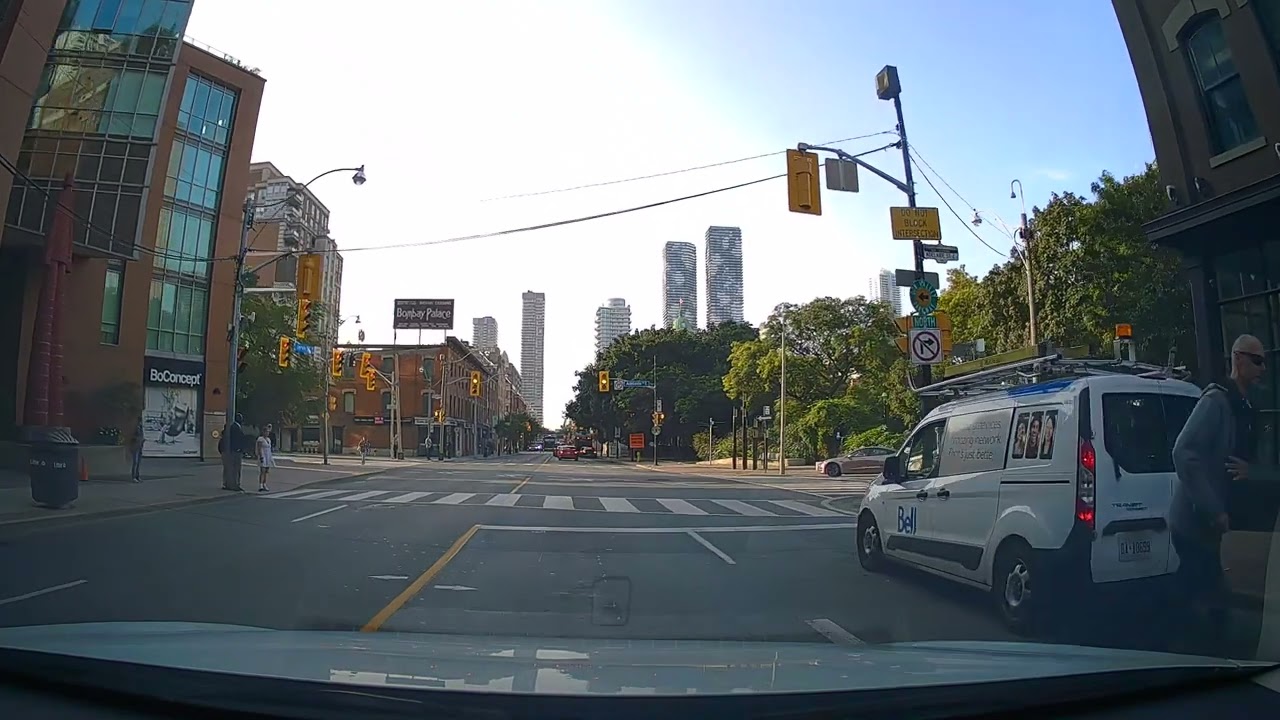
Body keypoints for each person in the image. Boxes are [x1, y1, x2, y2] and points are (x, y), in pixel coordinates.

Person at [1170, 333, 1275, 655]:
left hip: (1217, 521)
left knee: (1198, 588)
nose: (1262, 368)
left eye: (1265, 362)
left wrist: (1252, 473)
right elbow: (1183, 452)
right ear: (1238, 359)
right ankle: (1197, 656)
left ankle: (1188, 647)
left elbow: (1254, 462)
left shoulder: (1246, 406)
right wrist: (1214, 509)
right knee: (1206, 590)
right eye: (1256, 360)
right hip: (1195, 520)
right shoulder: (1215, 401)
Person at [219, 413, 246, 492]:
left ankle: (228, 483)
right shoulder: (235, 427)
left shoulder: (232, 427)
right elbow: (237, 439)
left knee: (229, 468)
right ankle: (234, 484)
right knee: (235, 468)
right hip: (235, 451)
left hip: (230, 451)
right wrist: (239, 449)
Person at [256, 423, 275, 492]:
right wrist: (261, 456)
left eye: (268, 432)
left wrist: (271, 458)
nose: (267, 433)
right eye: (266, 431)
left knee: (266, 471)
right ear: (263, 432)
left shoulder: (268, 439)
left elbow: (269, 449)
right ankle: (260, 484)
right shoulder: (260, 439)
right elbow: (259, 448)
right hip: (263, 456)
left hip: (268, 456)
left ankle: (265, 484)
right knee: (262, 471)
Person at [129, 415, 145, 483]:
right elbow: (132, 436)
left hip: (140, 445)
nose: (141, 422)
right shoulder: (135, 428)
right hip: (135, 446)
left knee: (138, 462)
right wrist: (137, 439)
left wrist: (142, 440)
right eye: (140, 421)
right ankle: (134, 477)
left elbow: (141, 436)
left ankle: (137, 476)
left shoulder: (141, 428)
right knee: (135, 462)